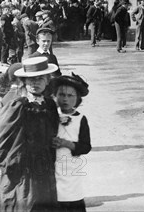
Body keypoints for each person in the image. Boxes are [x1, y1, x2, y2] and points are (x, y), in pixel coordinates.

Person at [0, 57, 60, 211]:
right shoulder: (17, 106)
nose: (35, 83)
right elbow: (2, 140)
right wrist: (8, 167)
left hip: (44, 165)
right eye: (31, 80)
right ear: (24, 81)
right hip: (21, 168)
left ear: (47, 80)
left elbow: (53, 132)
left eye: (40, 79)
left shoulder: (49, 104)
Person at [50, 74, 92, 212]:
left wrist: (66, 143)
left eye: (70, 95)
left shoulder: (80, 119)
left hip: (71, 169)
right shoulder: (50, 115)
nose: (65, 99)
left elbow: (85, 147)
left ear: (78, 99)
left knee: (71, 198)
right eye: (61, 95)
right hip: (51, 168)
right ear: (55, 96)